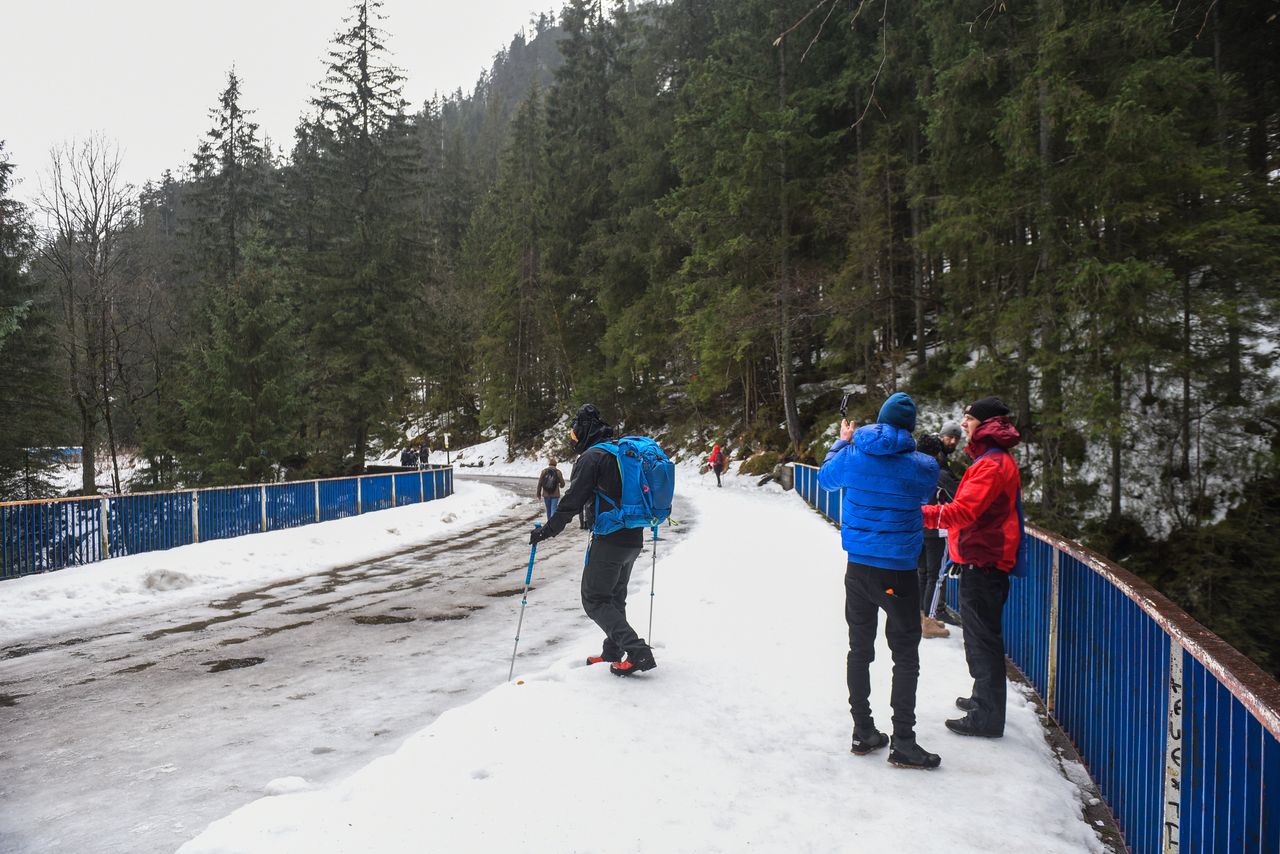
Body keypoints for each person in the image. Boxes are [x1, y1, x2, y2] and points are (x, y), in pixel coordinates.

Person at [818, 392, 942, 770]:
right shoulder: (923, 465)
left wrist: (842, 440)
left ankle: (863, 731)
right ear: (910, 428)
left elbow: (825, 479)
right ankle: (903, 740)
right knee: (904, 655)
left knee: (860, 650)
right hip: (899, 571)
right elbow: (925, 491)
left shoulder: (852, 454)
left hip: (857, 570)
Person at [529, 404, 656, 676]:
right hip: (633, 536)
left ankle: (637, 651)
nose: (573, 440)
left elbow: (571, 502)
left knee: (594, 599)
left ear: (583, 431)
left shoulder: (592, 457)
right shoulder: (620, 452)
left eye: (574, 435)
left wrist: (546, 531)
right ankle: (613, 651)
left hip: (609, 538)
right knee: (614, 597)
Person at [922, 396, 1023, 739]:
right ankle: (983, 700)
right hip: (982, 560)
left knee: (983, 640)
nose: (963, 424)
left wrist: (918, 513)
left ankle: (987, 716)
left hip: (984, 561)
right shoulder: (991, 459)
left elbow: (963, 512)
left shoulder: (991, 464)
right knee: (980, 636)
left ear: (986, 423)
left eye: (968, 419)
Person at [914, 435, 953, 640]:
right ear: (937, 454)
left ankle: (922, 615)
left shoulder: (912, 470)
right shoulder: (939, 474)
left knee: (922, 573)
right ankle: (929, 620)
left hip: (918, 527)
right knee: (936, 576)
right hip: (937, 529)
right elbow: (956, 498)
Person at [536, 457, 566, 521]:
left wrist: (538, 493)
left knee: (548, 510)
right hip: (555, 494)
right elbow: (563, 484)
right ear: (555, 464)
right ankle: (553, 525)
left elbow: (540, 483)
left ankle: (549, 525)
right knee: (553, 510)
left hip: (546, 494)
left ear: (549, 464)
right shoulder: (558, 472)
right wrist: (560, 485)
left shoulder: (544, 471)